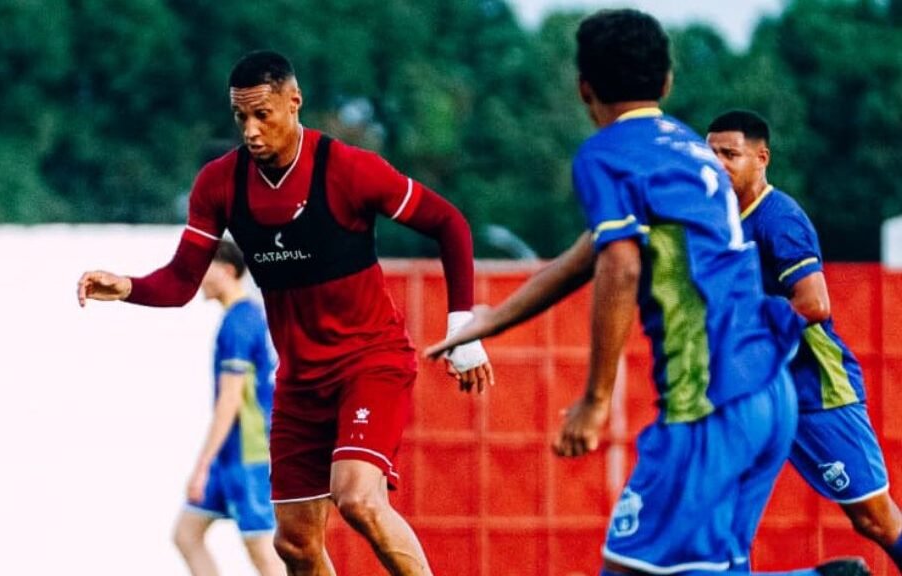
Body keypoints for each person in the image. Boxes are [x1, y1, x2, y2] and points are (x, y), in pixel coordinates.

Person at [426, 9, 867, 576]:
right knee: (711, 568)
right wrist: (492, 320)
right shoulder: (689, 148)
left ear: (584, 87)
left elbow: (620, 265)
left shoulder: (606, 155)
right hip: (770, 393)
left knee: (628, 571)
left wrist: (595, 400)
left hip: (709, 402)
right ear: (666, 82)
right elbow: (587, 254)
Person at [77, 50, 492, 576]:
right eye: (240, 117)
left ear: (294, 103)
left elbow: (449, 223)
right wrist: (129, 286)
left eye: (262, 114)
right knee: (293, 546)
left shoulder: (346, 169)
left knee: (358, 498)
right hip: (300, 383)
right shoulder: (220, 184)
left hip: (370, 363)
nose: (250, 130)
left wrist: (462, 328)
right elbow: (183, 280)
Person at [707, 109, 902, 572]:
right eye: (710, 153)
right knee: (718, 517)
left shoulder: (780, 219)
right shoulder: (715, 224)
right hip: (752, 396)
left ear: (761, 158)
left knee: (874, 519)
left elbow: (815, 303)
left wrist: (749, 334)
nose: (716, 164)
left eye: (729, 154)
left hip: (815, 391)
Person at [172, 240, 284, 576]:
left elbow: (230, 400)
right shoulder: (246, 316)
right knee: (186, 535)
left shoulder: (239, 323)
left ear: (226, 271)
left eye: (204, 268)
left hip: (248, 454)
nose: (198, 277)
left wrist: (202, 465)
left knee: (263, 551)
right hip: (230, 455)